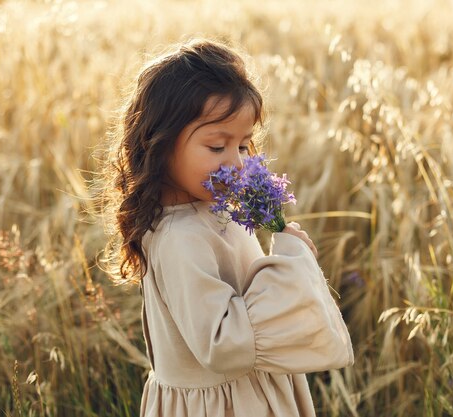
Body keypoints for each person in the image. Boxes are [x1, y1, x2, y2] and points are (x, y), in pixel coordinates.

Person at [102, 37, 354, 417]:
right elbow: (225, 345)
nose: (236, 164)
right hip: (225, 405)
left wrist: (288, 257)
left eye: (243, 146)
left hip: (248, 393)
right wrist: (286, 269)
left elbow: (245, 298)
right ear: (160, 145)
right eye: (217, 147)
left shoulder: (215, 211)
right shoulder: (178, 239)